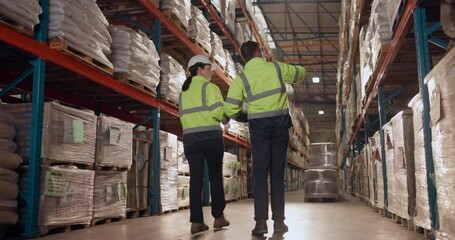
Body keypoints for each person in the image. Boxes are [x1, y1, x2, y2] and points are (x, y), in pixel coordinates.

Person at [224, 41, 306, 235]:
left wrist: (244, 116)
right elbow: (300, 73)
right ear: (259, 52)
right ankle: (279, 223)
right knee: (277, 174)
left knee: (260, 175)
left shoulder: (241, 79)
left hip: (259, 129)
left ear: (244, 59)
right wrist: (294, 69)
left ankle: (260, 223)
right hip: (279, 127)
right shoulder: (276, 68)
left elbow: (230, 109)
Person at [179, 55, 230, 234]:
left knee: (196, 180)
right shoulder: (210, 87)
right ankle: (218, 217)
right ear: (199, 69)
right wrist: (226, 118)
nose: (211, 72)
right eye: (209, 68)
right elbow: (217, 111)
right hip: (211, 138)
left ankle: (196, 222)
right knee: (215, 177)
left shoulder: (183, 92)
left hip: (191, 141)